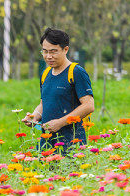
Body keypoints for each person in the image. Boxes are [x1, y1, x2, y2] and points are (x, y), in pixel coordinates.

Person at [22, 27, 95, 156]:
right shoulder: (45, 74)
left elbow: (89, 105)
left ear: (65, 49)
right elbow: (44, 104)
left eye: (53, 51)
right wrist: (33, 117)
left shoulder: (76, 72)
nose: (48, 56)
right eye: (45, 51)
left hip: (72, 143)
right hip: (47, 144)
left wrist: (60, 123)